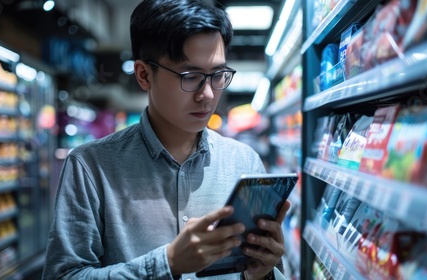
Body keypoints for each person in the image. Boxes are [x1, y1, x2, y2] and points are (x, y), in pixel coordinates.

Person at [42, 0, 291, 279]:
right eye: (191, 76)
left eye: (218, 75)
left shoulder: (245, 162)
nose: (207, 94)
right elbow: (63, 275)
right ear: (144, 75)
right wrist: (167, 262)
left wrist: (262, 272)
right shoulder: (90, 167)